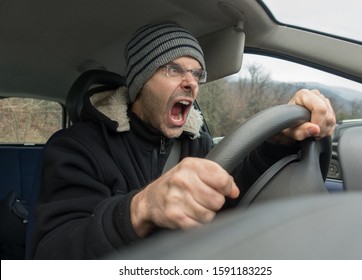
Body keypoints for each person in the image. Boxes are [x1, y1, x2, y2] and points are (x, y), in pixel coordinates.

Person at [30, 22, 335, 259]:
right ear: (140, 81)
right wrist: (139, 209)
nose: (190, 82)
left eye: (196, 74)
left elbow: (234, 195)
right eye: (173, 69)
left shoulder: (197, 142)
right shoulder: (78, 147)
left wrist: (277, 143)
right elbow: (52, 254)